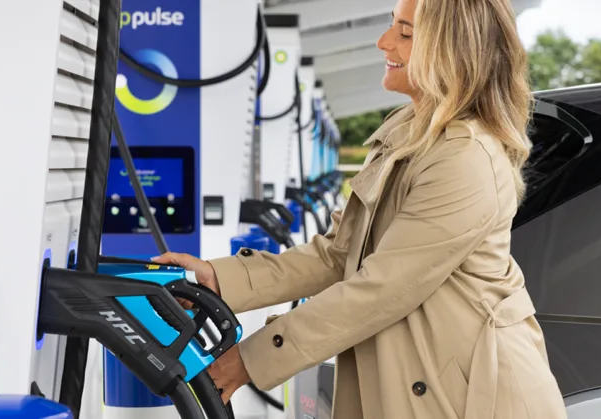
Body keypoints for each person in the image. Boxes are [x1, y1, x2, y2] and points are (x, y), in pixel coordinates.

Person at [154, 0, 567, 417]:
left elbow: (381, 289)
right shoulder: (408, 134)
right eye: (392, 26)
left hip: (474, 399)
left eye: (405, 33)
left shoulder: (465, 156)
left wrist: (250, 360)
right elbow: (338, 253)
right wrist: (218, 279)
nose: (384, 41)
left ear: (452, 49)